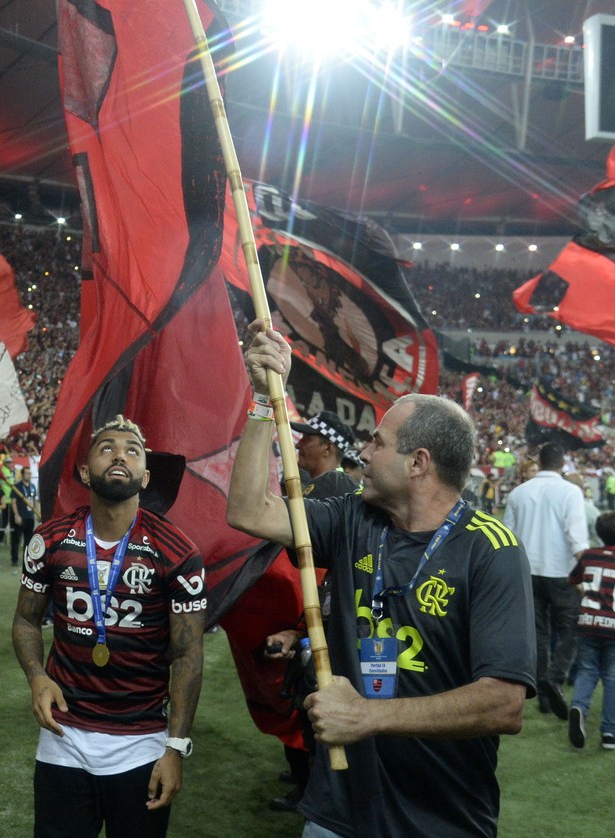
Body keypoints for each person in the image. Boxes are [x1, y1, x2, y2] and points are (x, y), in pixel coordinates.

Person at [227, 323, 535, 837]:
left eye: (377, 442)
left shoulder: (491, 551)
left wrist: (369, 716)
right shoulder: (353, 518)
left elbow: (502, 703)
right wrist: (263, 400)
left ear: (418, 463)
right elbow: (248, 510)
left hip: (441, 819)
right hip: (337, 811)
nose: (363, 454)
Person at [12, 415, 205, 838]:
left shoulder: (177, 551)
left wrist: (175, 748)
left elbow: (189, 654)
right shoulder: (51, 539)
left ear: (146, 476)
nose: (120, 454)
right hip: (63, 740)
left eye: (132, 450)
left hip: (142, 744)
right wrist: (37, 676)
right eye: (107, 448)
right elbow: (26, 619)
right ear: (84, 472)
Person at [260, 410, 361, 813]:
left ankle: (316, 793)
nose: (298, 443)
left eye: (307, 438)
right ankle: (310, 782)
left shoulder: (332, 490)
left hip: (325, 619)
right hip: (312, 616)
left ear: (328, 447)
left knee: (314, 708)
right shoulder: (326, 486)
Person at [503, 442, 588, 719]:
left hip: (528, 572)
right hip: (562, 572)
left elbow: (508, 537)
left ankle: (542, 690)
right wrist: (587, 577)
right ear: (563, 464)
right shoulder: (570, 492)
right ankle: (555, 677)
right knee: (572, 629)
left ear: (539, 461)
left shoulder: (519, 492)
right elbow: (576, 537)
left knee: (538, 634)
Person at [566, 511, 615, 751]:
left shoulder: (588, 556)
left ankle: (578, 707)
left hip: (588, 621)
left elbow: (574, 580)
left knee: (587, 670)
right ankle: (609, 733)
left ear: (598, 533)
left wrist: (585, 594)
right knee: (613, 677)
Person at [11, 466, 40, 570]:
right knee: (16, 539)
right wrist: (16, 515)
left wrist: (37, 513)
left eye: (30, 473)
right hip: (21, 516)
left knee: (28, 540)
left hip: (30, 517)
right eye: (27, 473)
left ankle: (26, 559)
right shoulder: (17, 486)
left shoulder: (32, 486)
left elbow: (35, 500)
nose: (29, 475)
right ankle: (14, 559)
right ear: (22, 475)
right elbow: (13, 502)